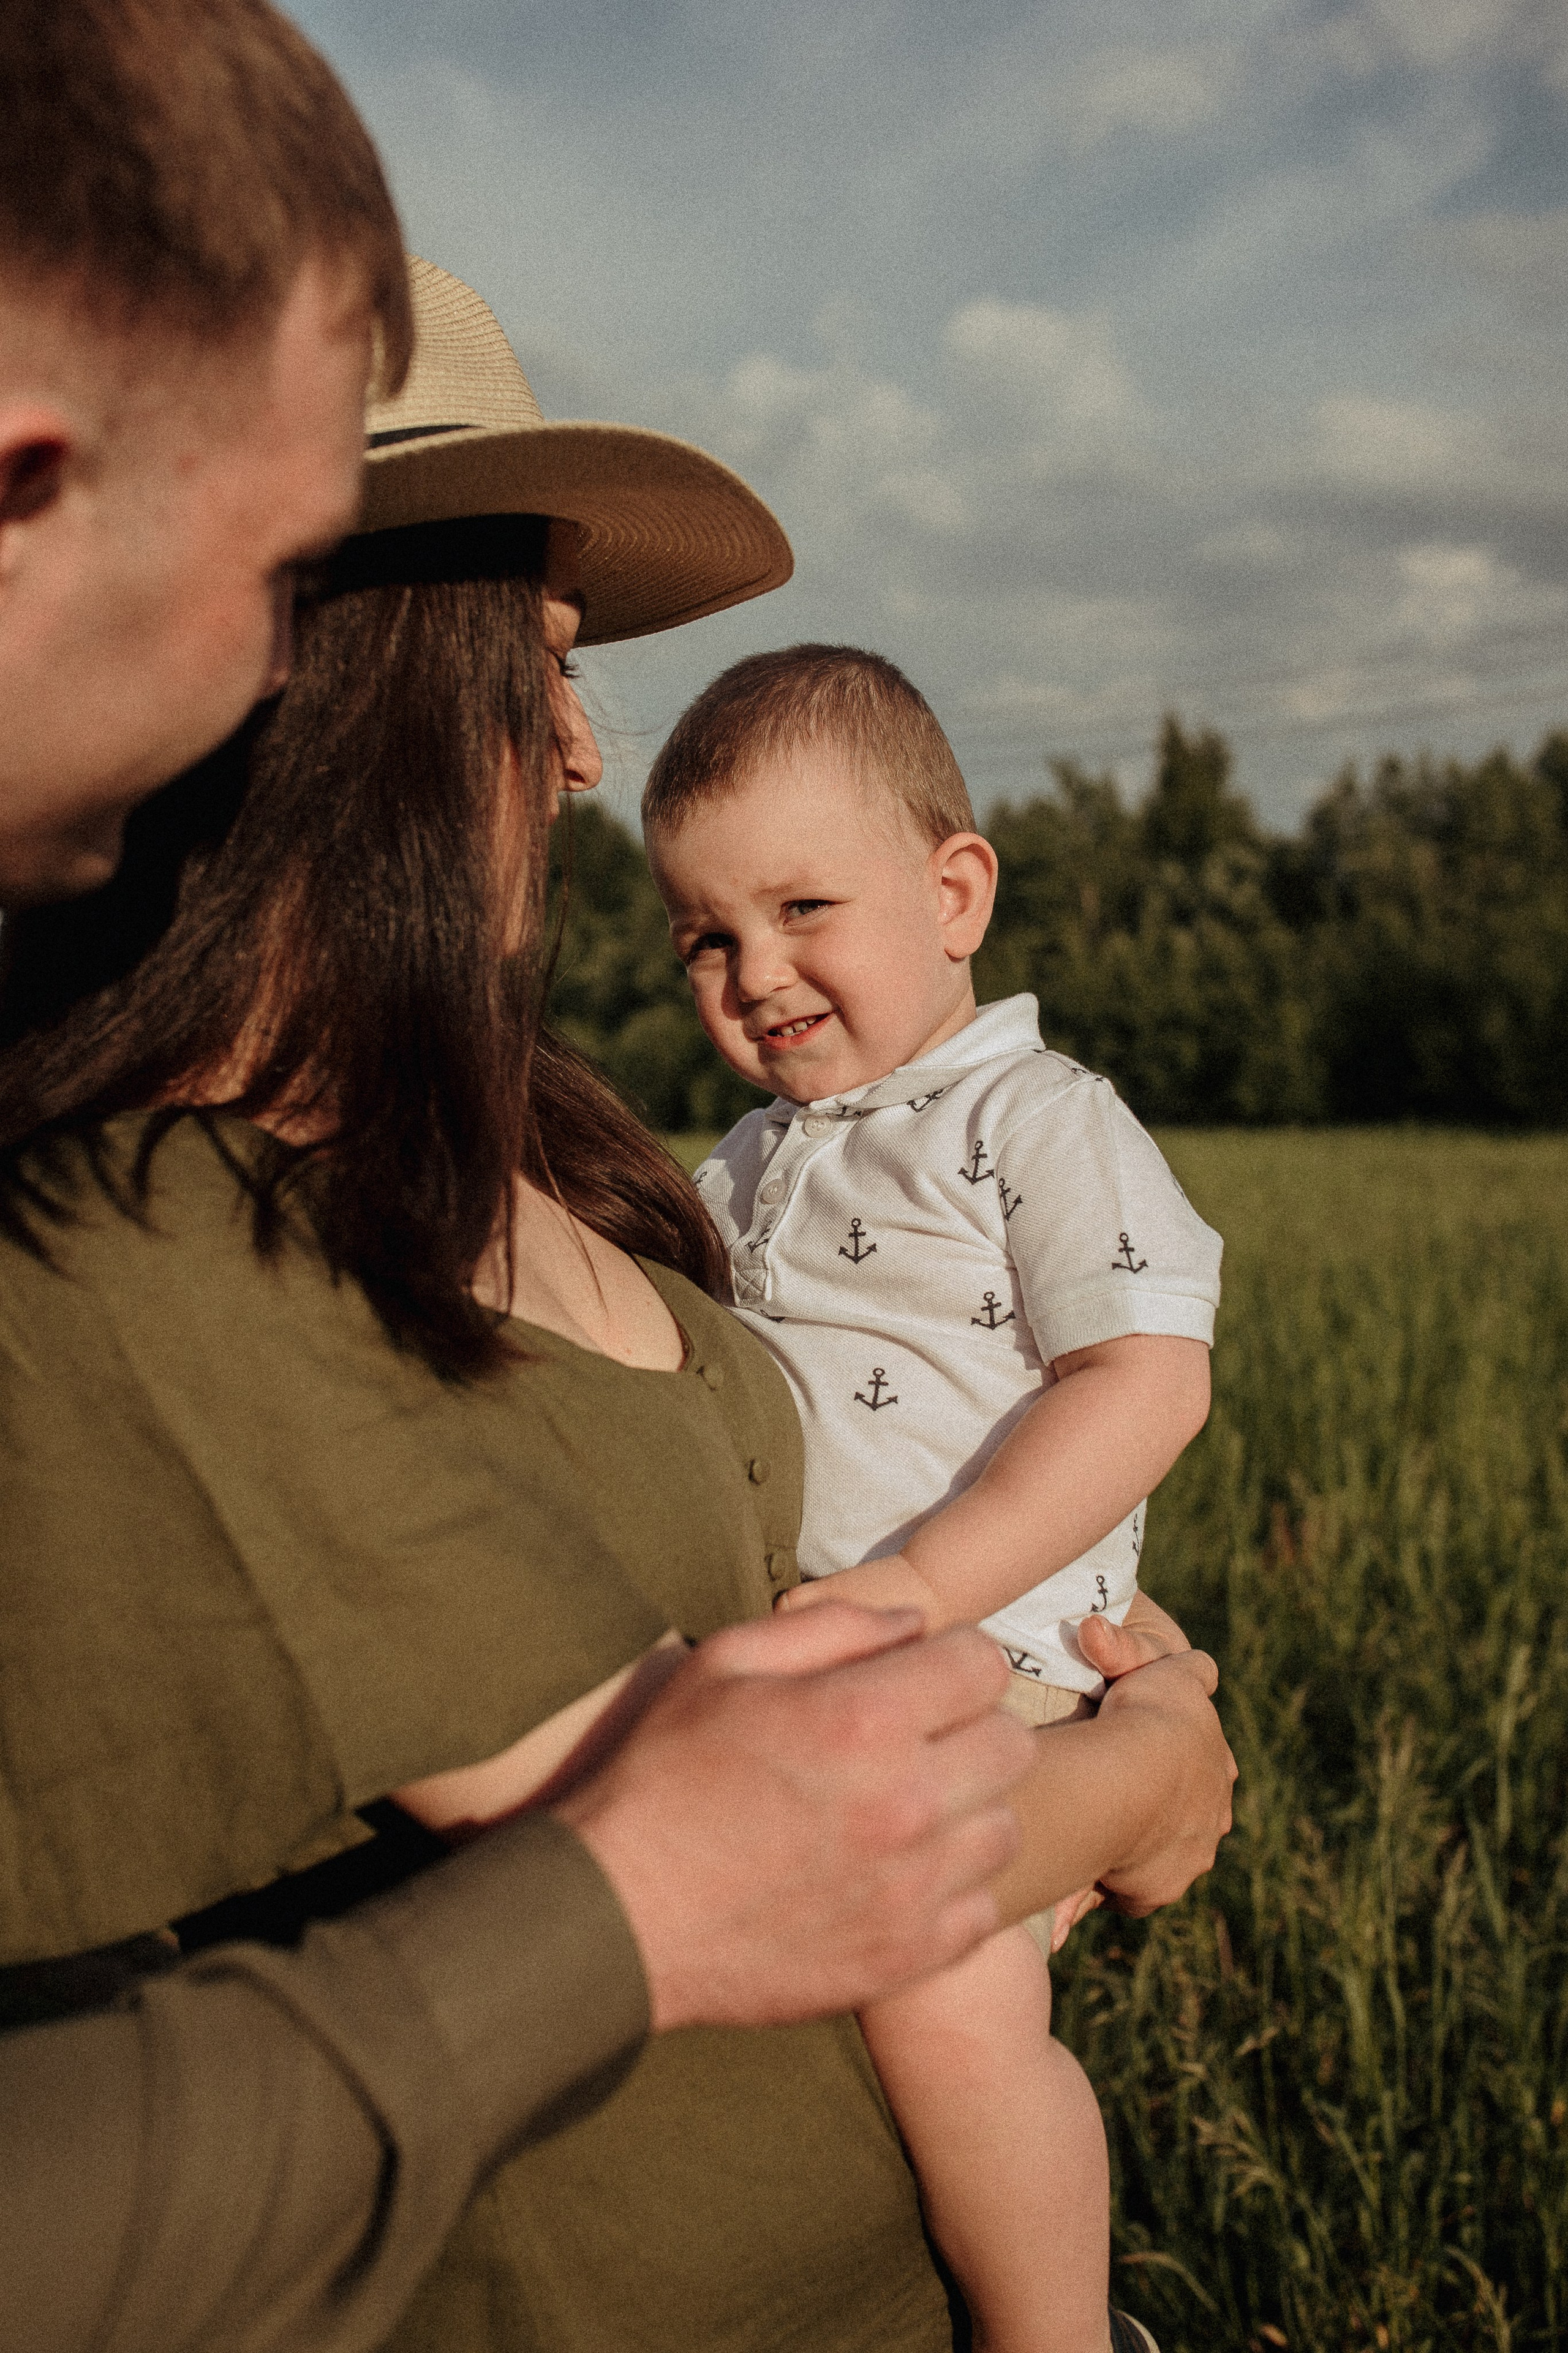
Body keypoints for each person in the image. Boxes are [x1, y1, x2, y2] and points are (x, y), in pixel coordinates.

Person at [0, 263, 1235, 2353]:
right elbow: (732, 1820)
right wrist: (1154, 1768)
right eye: (542, 666)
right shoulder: (173, 1240)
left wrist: (1088, 1683)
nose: (581, 751)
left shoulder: (559, 1138)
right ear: (335, 679)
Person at [641, 643, 1226, 2353]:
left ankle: (1053, 2334)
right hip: (846, 1653)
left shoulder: (1032, 1121)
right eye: (705, 939)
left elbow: (1146, 1378)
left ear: (955, 890)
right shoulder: (748, 1159)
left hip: (987, 1649)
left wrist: (915, 1592)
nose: (758, 973)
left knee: (946, 1999)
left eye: (805, 906)